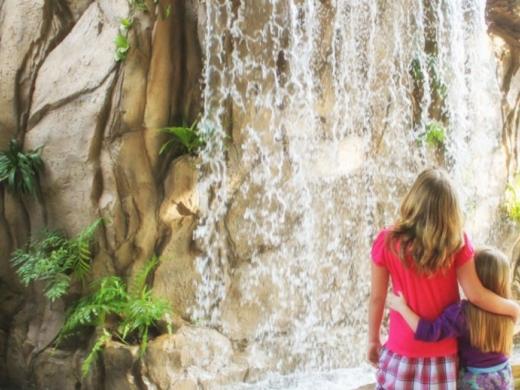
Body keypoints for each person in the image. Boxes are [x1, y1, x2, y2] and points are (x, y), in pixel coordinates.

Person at [367, 168, 520, 389]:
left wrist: (373, 340)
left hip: (401, 351)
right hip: (443, 358)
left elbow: (377, 298)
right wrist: (513, 308)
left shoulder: (386, 241)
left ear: (413, 199)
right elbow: (476, 295)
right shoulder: (457, 243)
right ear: (451, 211)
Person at [388, 247, 514, 389]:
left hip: (475, 381)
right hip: (503, 375)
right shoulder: (510, 310)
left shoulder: (462, 314)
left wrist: (403, 308)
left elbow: (430, 332)